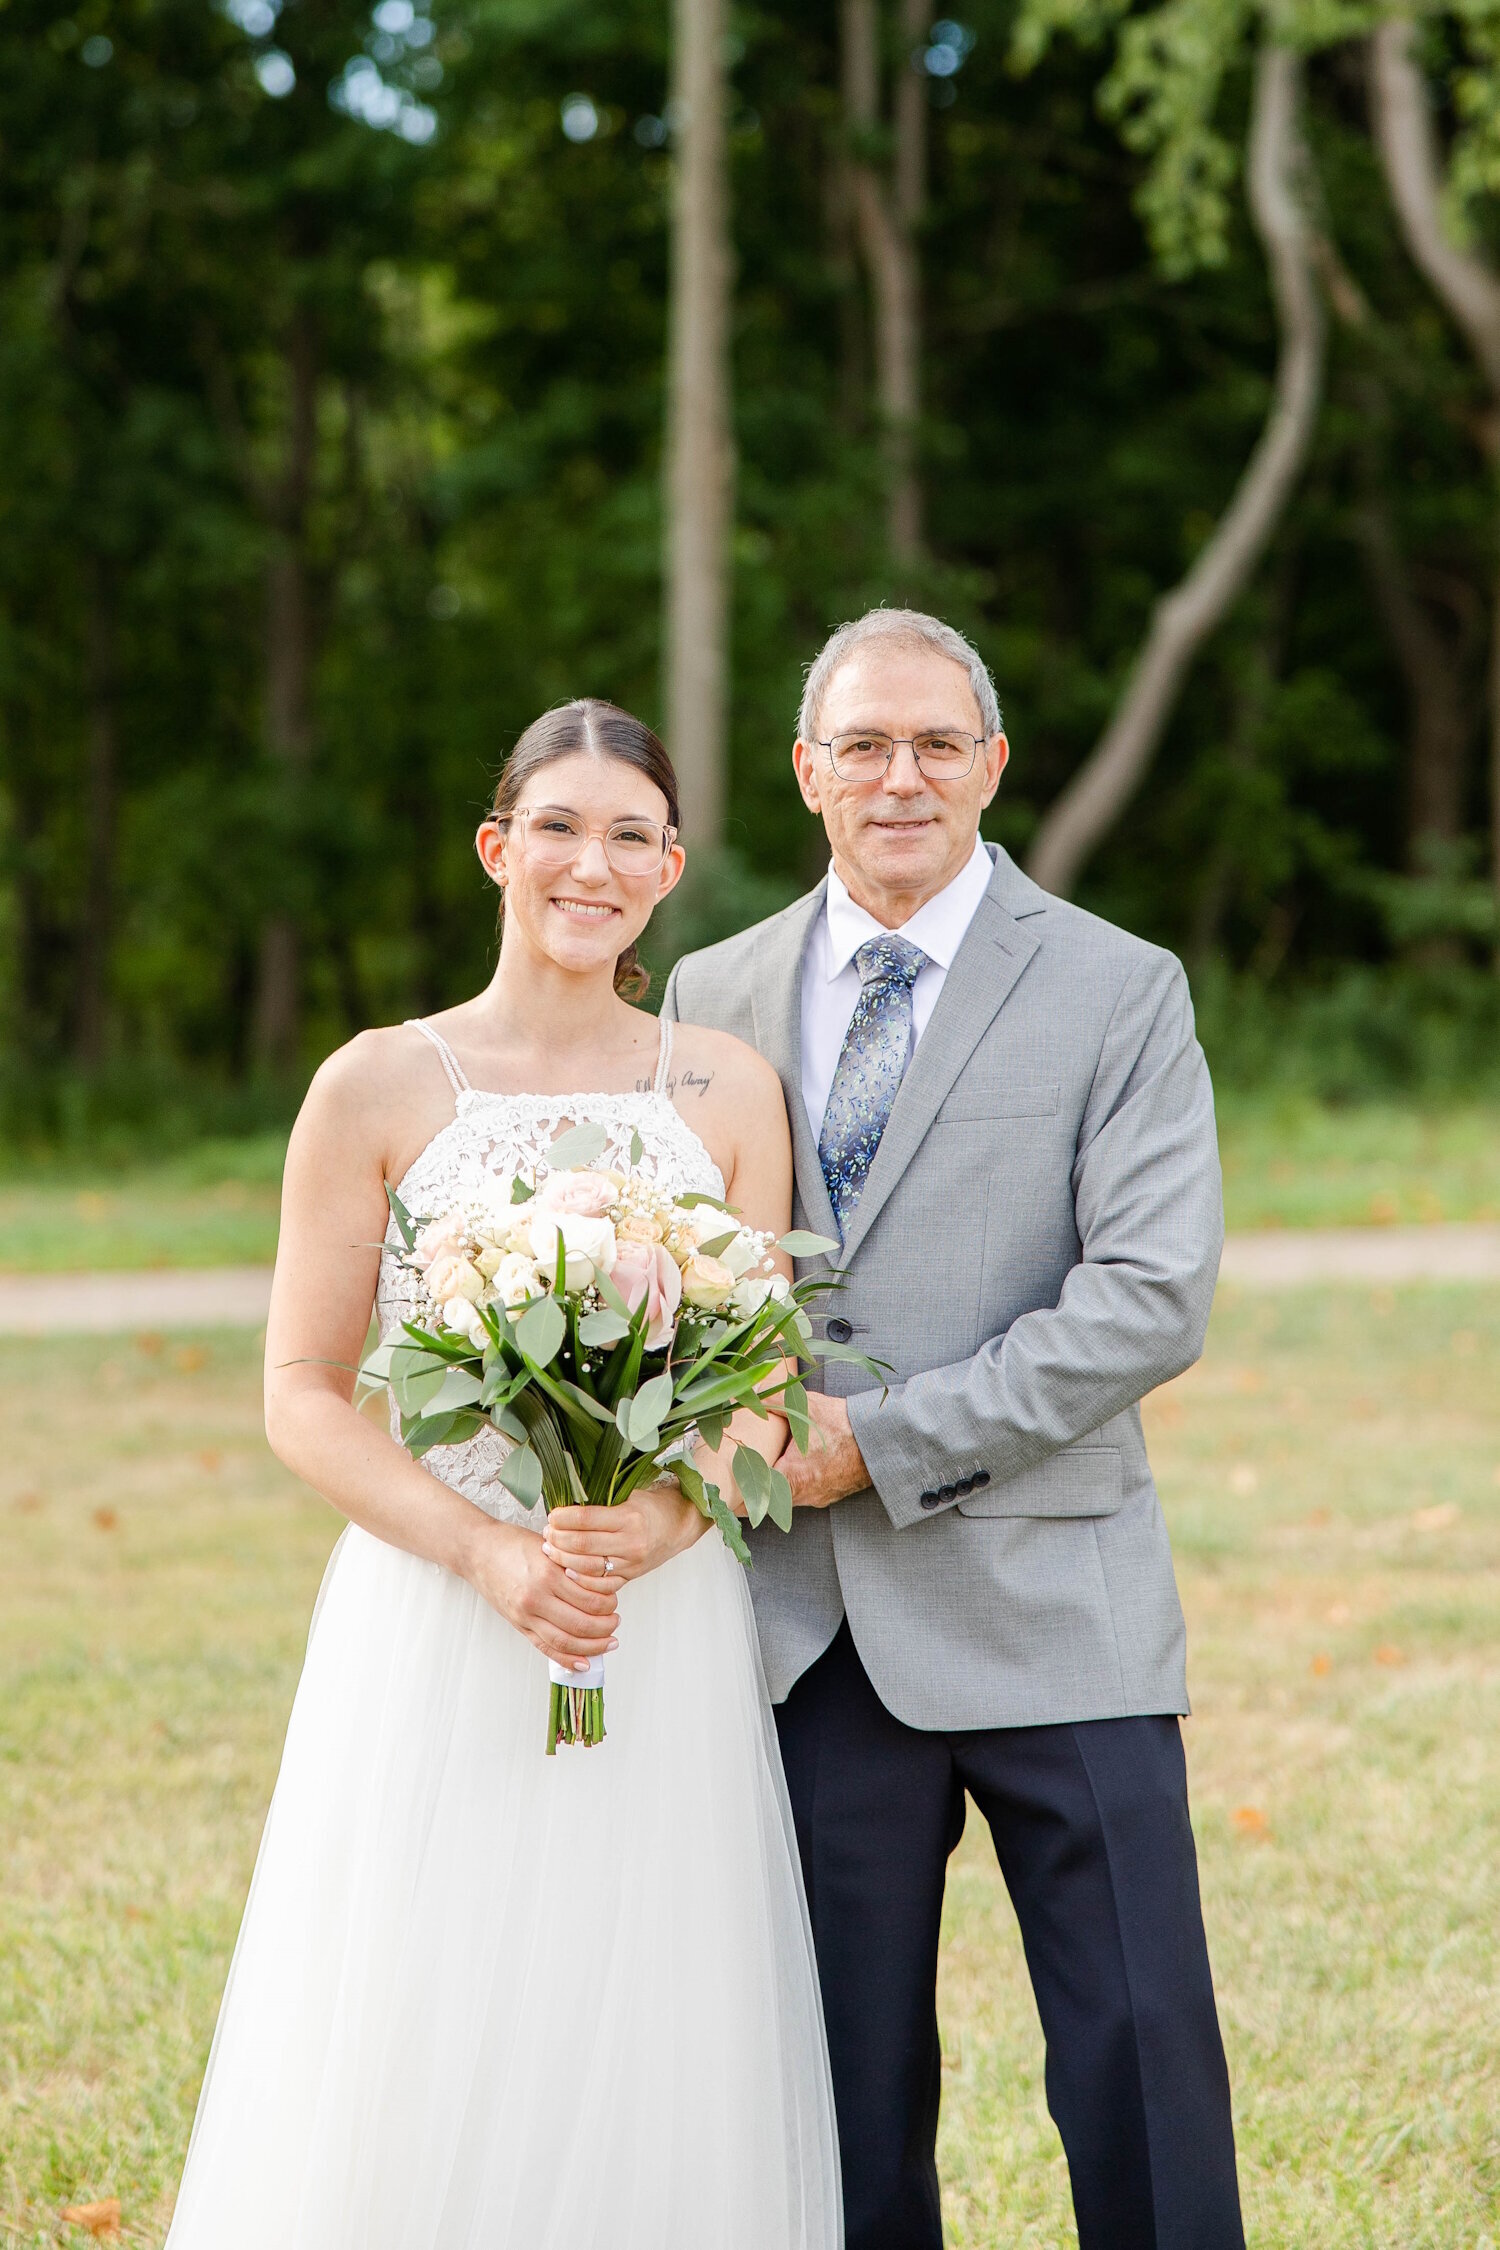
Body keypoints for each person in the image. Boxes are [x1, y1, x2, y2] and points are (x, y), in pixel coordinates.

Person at [163, 700, 841, 2250]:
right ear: (497, 846)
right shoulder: (378, 1085)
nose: (588, 864)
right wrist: (488, 1555)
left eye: (627, 836)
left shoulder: (727, 1092)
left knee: (650, 2007)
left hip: (650, 1623)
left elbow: (763, 1388)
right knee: (424, 1995)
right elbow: (299, 1391)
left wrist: (647, 1531)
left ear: (669, 869)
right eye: (557, 826)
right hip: (436, 1612)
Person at [662, 608, 1245, 2250]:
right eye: (863, 743)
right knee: (838, 2089)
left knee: (1140, 2056)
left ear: (993, 764)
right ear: (806, 772)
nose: (899, 775)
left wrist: (880, 1440)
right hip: (809, 1623)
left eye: (936, 743)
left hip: (1059, 1604)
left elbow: (1146, 1298)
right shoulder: (715, 988)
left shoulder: (1121, 987)